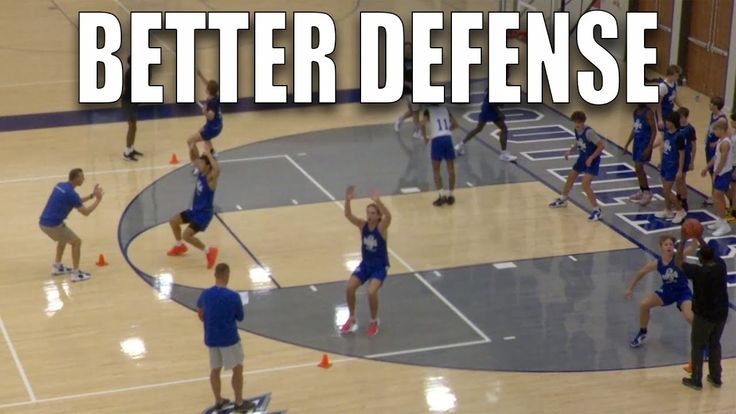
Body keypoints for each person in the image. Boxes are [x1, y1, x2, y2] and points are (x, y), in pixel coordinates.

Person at [197, 263, 255, 413]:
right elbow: (240, 317)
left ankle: (218, 400)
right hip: (229, 339)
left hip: (211, 338)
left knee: (215, 370)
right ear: (227, 275)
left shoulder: (205, 294)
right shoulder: (233, 296)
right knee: (237, 369)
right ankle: (239, 402)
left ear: (215, 275)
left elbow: (200, 314)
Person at [675, 233, 729, 390]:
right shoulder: (721, 266)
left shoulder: (698, 272)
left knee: (698, 346)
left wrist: (684, 240)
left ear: (700, 259)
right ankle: (716, 377)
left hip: (704, 316)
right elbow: (708, 251)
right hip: (721, 314)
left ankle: (696, 380)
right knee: (714, 344)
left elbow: (678, 262)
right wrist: (699, 237)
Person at [625, 235, 695, 347]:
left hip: (682, 291)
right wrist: (630, 288)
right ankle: (642, 332)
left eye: (671, 244)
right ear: (660, 247)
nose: (669, 247)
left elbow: (692, 248)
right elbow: (641, 272)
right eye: (666, 244)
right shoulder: (658, 263)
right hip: (667, 291)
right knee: (644, 304)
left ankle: (705, 342)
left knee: (689, 316)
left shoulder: (679, 257)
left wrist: (695, 236)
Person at [340, 186, 391, 337]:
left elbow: (389, 217)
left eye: (373, 213)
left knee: (371, 292)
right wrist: (347, 200)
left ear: (378, 215)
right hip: (366, 264)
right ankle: (352, 318)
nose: (369, 215)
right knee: (350, 288)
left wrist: (378, 201)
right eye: (368, 212)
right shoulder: (363, 226)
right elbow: (348, 215)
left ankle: (374, 320)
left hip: (379, 266)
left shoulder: (382, 227)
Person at [39, 168, 104, 282]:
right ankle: (75, 273)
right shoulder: (71, 193)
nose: (84, 179)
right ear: (76, 178)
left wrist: (91, 196)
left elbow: (76, 201)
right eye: (82, 177)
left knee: (63, 239)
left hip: (44, 222)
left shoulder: (60, 185)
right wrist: (98, 200)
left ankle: (57, 267)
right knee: (76, 242)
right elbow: (85, 212)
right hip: (53, 225)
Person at [167, 141, 220, 268]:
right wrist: (191, 148)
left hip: (203, 214)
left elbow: (217, 170)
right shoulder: (201, 173)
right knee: (173, 221)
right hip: (195, 210)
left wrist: (208, 153)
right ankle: (179, 246)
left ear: (207, 166)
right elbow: (194, 159)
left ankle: (209, 251)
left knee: (187, 235)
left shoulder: (210, 179)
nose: (198, 165)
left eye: (202, 163)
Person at [548, 111, 604, 221]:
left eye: (579, 122)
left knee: (585, 184)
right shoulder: (577, 130)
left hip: (592, 160)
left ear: (583, 122)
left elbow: (601, 146)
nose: (577, 124)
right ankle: (563, 199)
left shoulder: (589, 132)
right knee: (571, 177)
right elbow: (579, 142)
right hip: (582, 158)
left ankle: (597, 210)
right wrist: (570, 150)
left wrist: (591, 157)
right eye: (575, 122)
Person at [454, 87, 516, 162]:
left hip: (485, 108)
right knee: (504, 128)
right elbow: (493, 102)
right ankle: (504, 154)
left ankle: (460, 145)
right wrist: (499, 112)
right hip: (491, 110)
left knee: (478, 129)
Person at [421, 103, 459, 206]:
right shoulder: (446, 109)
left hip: (437, 140)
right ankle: (450, 195)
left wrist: (425, 137)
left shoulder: (428, 111)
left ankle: (442, 195)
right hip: (448, 138)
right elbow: (456, 124)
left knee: (436, 170)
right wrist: (447, 130)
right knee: (451, 169)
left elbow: (422, 124)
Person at [654, 112, 687, 224]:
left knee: (666, 191)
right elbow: (663, 148)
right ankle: (668, 209)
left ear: (673, 122)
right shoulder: (666, 133)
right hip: (665, 164)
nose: (666, 123)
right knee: (665, 190)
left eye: (668, 121)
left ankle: (680, 210)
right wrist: (661, 161)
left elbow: (682, 154)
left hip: (673, 166)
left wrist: (680, 170)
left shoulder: (679, 136)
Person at [700, 119, 731, 236]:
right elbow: (716, 157)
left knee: (718, 196)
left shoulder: (725, 143)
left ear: (722, 129)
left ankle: (725, 224)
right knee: (717, 197)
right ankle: (720, 220)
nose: (714, 131)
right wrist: (707, 167)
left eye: (716, 129)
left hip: (723, 173)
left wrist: (716, 173)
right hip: (719, 172)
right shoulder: (720, 140)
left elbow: (723, 160)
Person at [624, 103, 656, 205]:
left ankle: (647, 192)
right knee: (637, 169)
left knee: (639, 167)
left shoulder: (649, 113)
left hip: (644, 143)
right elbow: (634, 129)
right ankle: (642, 190)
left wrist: (649, 146)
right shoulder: (636, 112)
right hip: (637, 142)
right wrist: (627, 144)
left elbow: (654, 130)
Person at [187, 70, 223, 158]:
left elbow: (211, 117)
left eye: (206, 87)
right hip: (218, 125)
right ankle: (212, 152)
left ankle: (198, 162)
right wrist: (200, 75)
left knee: (190, 141)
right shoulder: (215, 96)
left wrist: (205, 112)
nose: (205, 87)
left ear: (207, 90)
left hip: (212, 128)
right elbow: (209, 85)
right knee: (200, 131)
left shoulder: (211, 103)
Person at [394, 42, 421, 139]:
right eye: (406, 48)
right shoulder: (401, 62)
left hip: (416, 89)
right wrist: (408, 84)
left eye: (409, 48)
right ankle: (417, 132)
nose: (408, 50)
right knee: (416, 111)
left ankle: (400, 119)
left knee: (413, 110)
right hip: (407, 90)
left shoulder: (414, 60)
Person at [703, 96, 727, 205]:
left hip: (715, 148)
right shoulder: (712, 115)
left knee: (714, 170)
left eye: (711, 103)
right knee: (710, 170)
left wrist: (716, 143)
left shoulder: (722, 119)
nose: (709, 105)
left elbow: (727, 135)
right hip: (709, 145)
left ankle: (715, 195)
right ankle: (713, 193)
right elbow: (711, 128)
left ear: (715, 106)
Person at [122, 55, 144, 161]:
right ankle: (126, 152)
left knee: (134, 127)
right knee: (131, 127)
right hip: (128, 102)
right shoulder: (130, 73)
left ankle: (131, 148)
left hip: (132, 102)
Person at [676, 107, 696, 212]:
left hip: (685, 156)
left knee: (682, 178)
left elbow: (694, 146)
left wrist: (692, 162)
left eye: (681, 117)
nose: (679, 119)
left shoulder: (690, 129)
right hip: (676, 155)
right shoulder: (676, 127)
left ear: (685, 117)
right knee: (677, 178)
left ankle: (684, 200)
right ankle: (678, 196)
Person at [654, 65, 681, 134]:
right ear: (670, 75)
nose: (677, 78)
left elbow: (674, 97)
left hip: (670, 111)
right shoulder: (663, 86)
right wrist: (660, 119)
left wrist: (682, 107)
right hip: (663, 113)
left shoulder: (674, 83)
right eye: (676, 76)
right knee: (664, 134)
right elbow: (658, 104)